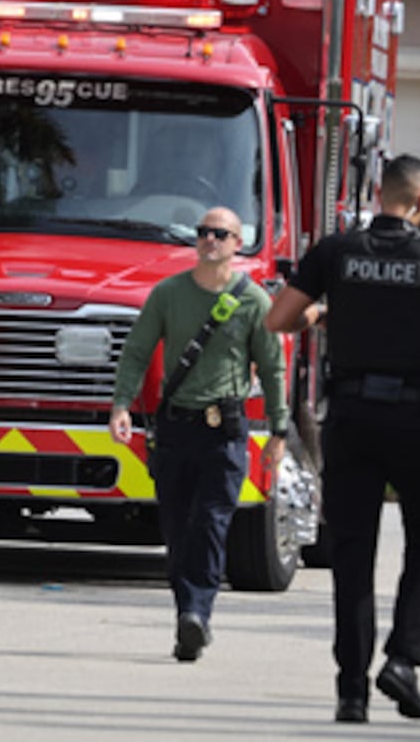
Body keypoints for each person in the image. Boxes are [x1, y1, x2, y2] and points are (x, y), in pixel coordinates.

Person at [265, 153, 420, 724]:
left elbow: (278, 319)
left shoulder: (336, 251)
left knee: (353, 553)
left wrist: (328, 315)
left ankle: (350, 690)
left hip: (351, 417)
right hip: (416, 418)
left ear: (380, 194)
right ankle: (402, 661)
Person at [109, 206, 289, 662]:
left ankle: (197, 614)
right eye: (204, 233)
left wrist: (279, 429)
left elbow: (272, 367)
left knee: (210, 525)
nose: (210, 240)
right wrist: (121, 406)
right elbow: (136, 352)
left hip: (224, 432)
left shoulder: (254, 301)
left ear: (236, 243)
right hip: (175, 430)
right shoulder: (168, 294)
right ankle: (186, 615)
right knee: (177, 529)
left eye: (220, 234)